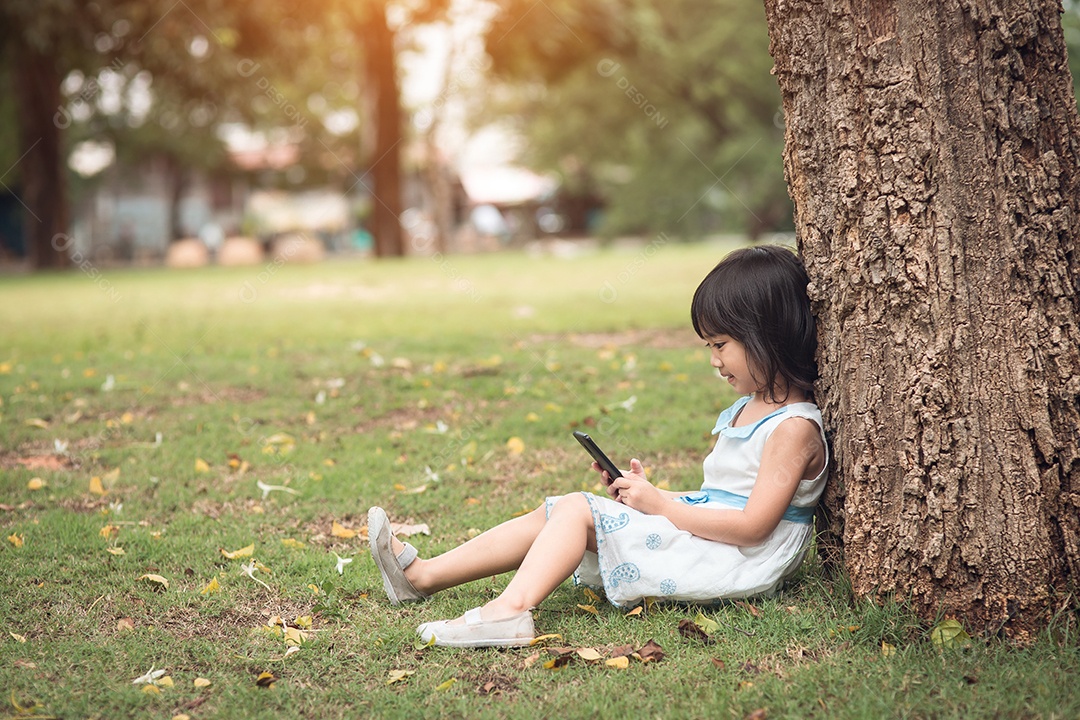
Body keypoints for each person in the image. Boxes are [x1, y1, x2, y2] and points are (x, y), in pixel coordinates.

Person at [368, 245, 828, 648]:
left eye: (721, 344)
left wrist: (660, 507)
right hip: (716, 538)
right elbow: (726, 499)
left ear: (767, 335)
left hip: (740, 560)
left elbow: (752, 526)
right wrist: (654, 497)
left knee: (578, 511)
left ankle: (510, 611)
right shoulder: (753, 407)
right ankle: (422, 577)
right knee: (563, 507)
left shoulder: (793, 428)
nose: (713, 360)